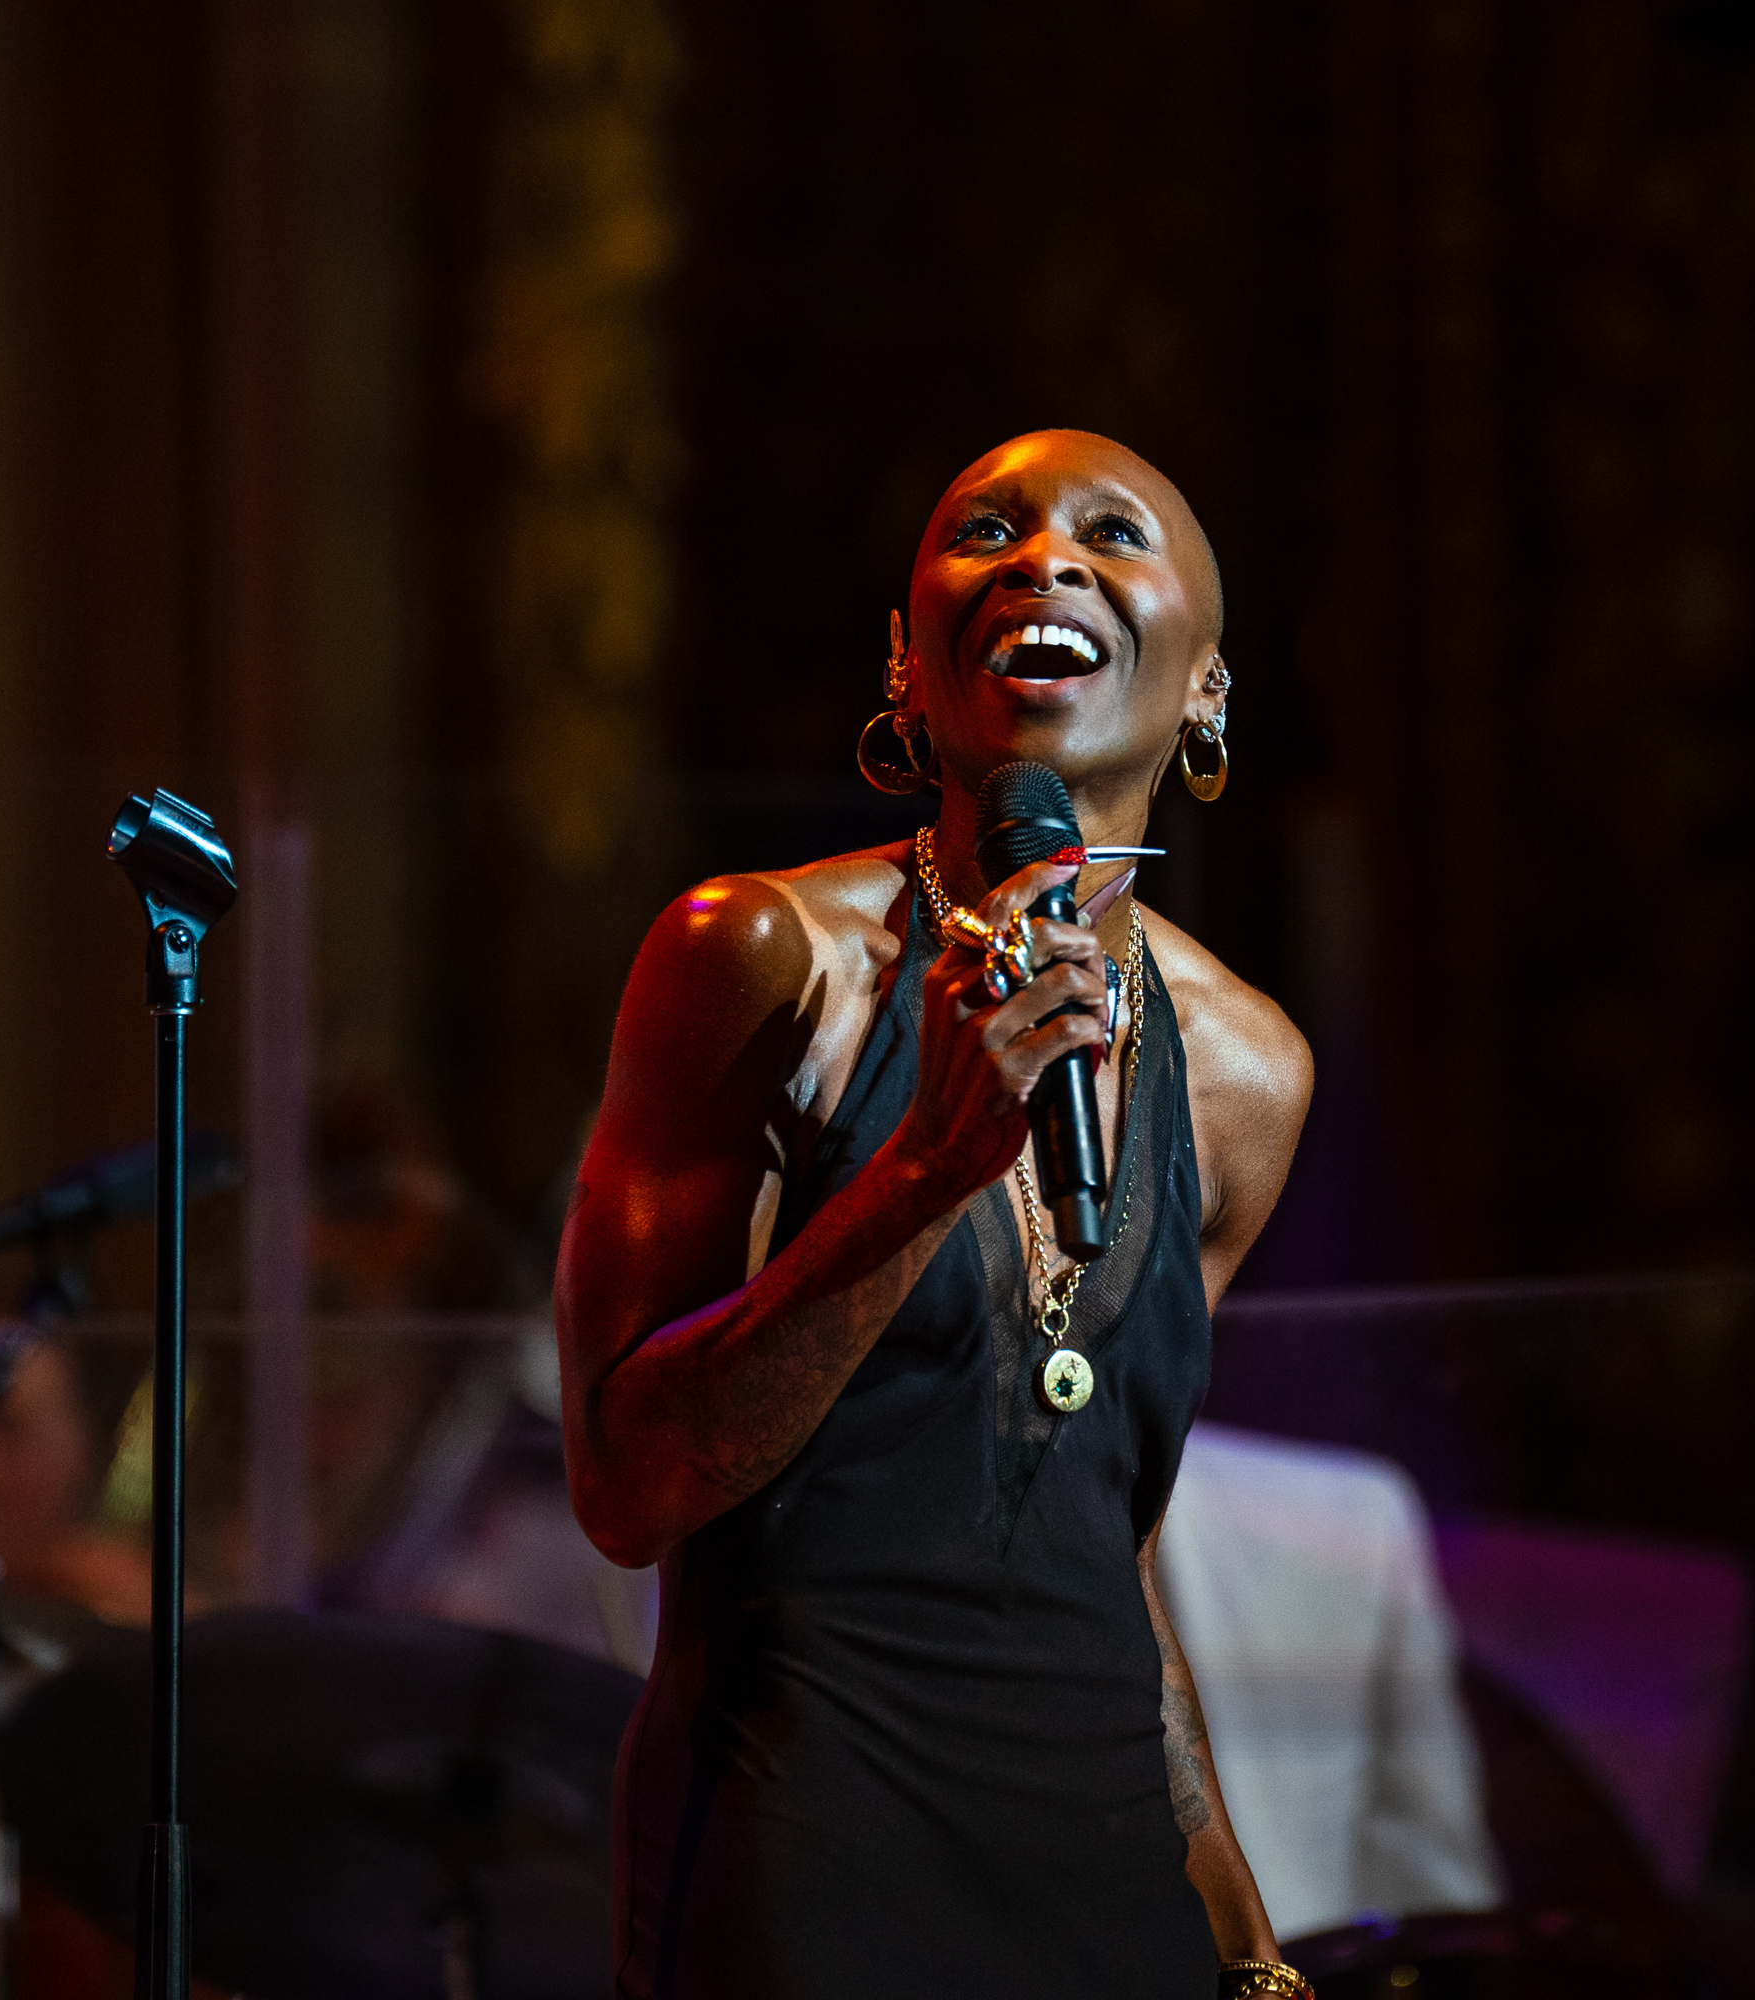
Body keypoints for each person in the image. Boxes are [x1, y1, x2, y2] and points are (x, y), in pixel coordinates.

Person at [557, 430, 1316, 1998]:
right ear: (908, 667)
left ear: (1208, 687)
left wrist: (1245, 1941)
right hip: (806, 1879)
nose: (1045, 559)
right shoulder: (762, 959)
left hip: (1108, 1900)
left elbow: (1110, 1544)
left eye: (1113, 532)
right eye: (988, 531)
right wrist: (923, 1173)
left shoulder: (1247, 1073)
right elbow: (631, 1488)